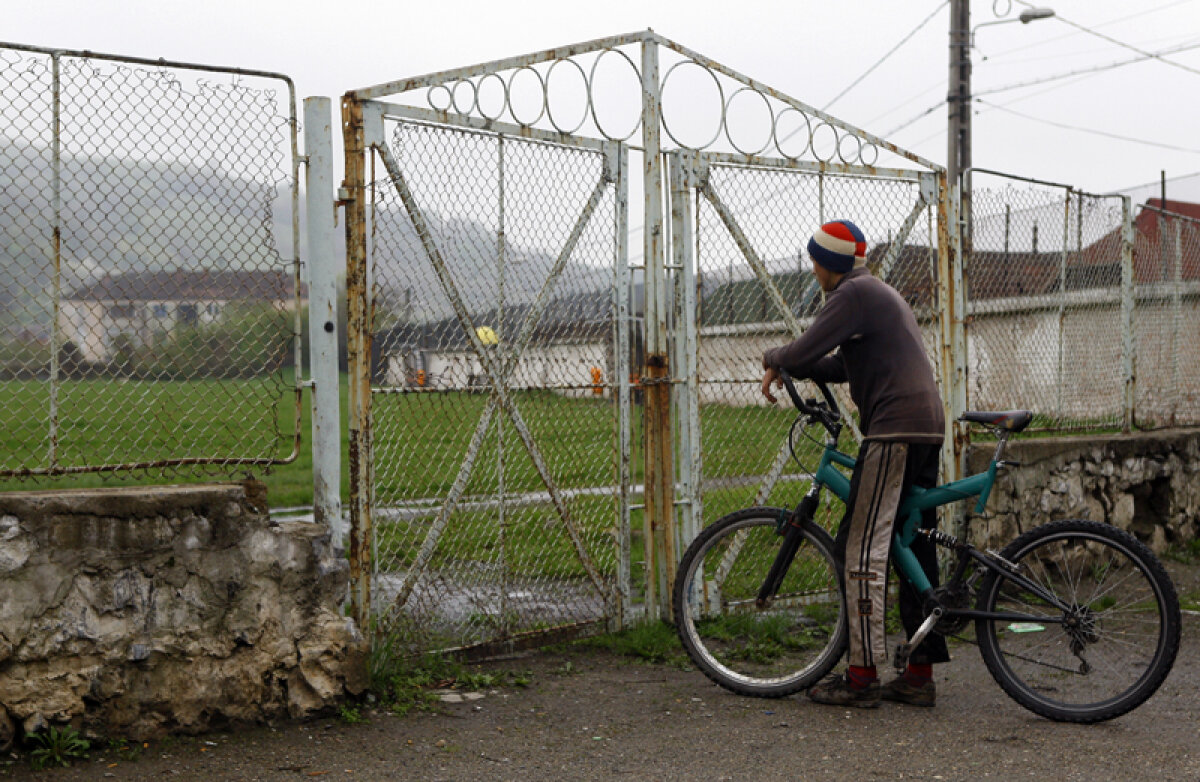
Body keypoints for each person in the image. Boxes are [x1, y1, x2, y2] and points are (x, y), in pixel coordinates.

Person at [760, 219, 949, 709]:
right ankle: (918, 674)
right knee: (911, 546)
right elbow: (845, 364)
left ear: (827, 262)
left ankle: (862, 676)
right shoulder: (878, 292)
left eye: (815, 260)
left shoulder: (851, 294)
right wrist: (797, 366)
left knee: (860, 549)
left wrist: (775, 357)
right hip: (924, 425)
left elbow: (803, 350)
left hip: (895, 430)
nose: (814, 269)